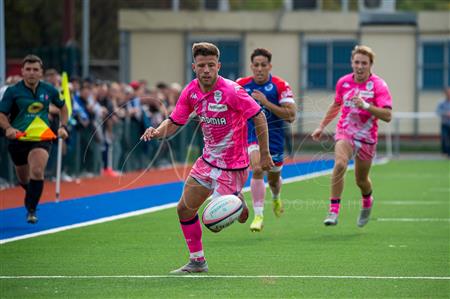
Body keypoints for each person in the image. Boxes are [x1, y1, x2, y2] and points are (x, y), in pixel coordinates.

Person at [140, 42, 274, 273]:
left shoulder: (232, 91)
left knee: (213, 223)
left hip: (233, 167)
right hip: (207, 162)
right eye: (201, 65)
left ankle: (239, 204)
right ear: (194, 66)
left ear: (218, 66)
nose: (206, 70)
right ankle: (197, 261)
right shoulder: (190, 91)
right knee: (184, 209)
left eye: (211, 65)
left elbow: (259, 116)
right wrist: (156, 131)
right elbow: (174, 122)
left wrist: (265, 154)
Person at [311, 45, 392, 227]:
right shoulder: (344, 82)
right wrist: (321, 127)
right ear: (352, 63)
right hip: (345, 132)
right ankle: (333, 211)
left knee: (361, 180)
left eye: (364, 63)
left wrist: (366, 106)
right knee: (339, 164)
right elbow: (336, 105)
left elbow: (387, 116)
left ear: (371, 65)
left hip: (367, 138)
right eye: (357, 62)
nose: (360, 66)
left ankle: (367, 202)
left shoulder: (378, 85)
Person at [0, 55, 69, 223]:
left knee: (37, 171)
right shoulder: (13, 91)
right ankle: (30, 195)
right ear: (22, 71)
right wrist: (8, 128)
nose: (31, 73)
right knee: (24, 180)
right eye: (28, 69)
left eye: (35, 70)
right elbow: (1, 114)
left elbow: (63, 108)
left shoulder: (49, 90)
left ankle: (31, 210)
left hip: (41, 137)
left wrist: (63, 126)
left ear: (41, 72)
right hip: (18, 140)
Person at [236, 48, 297, 232]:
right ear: (251, 66)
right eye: (256, 65)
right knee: (256, 168)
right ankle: (258, 215)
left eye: (264, 65)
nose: (260, 69)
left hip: (275, 138)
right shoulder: (241, 84)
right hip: (251, 134)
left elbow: (291, 116)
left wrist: (266, 102)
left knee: (273, 180)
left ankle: (276, 196)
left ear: (270, 66)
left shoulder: (280, 86)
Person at [436, 87, 450, 158]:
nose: (448, 94)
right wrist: (445, 113)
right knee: (444, 138)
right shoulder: (441, 103)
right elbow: (438, 111)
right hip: (445, 124)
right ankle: (445, 152)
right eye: (447, 93)